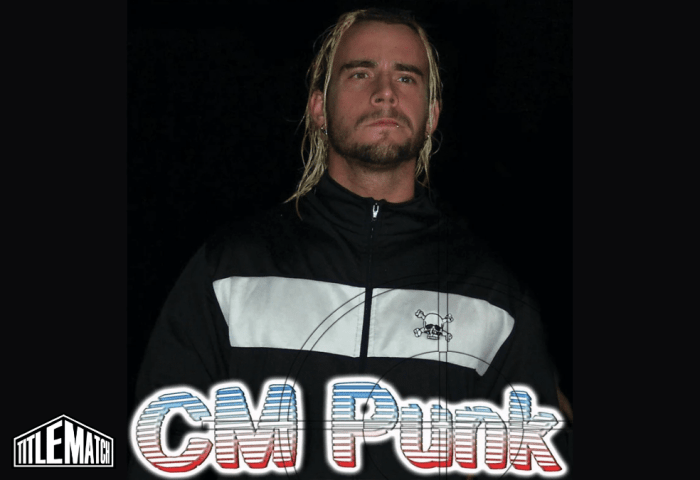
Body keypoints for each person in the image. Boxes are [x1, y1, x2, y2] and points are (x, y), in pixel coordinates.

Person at [129, 8, 572, 479]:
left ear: (431, 115)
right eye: (360, 73)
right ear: (319, 108)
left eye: (406, 77)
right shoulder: (231, 271)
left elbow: (539, 460)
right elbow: (162, 448)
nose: (385, 92)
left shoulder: (493, 296)